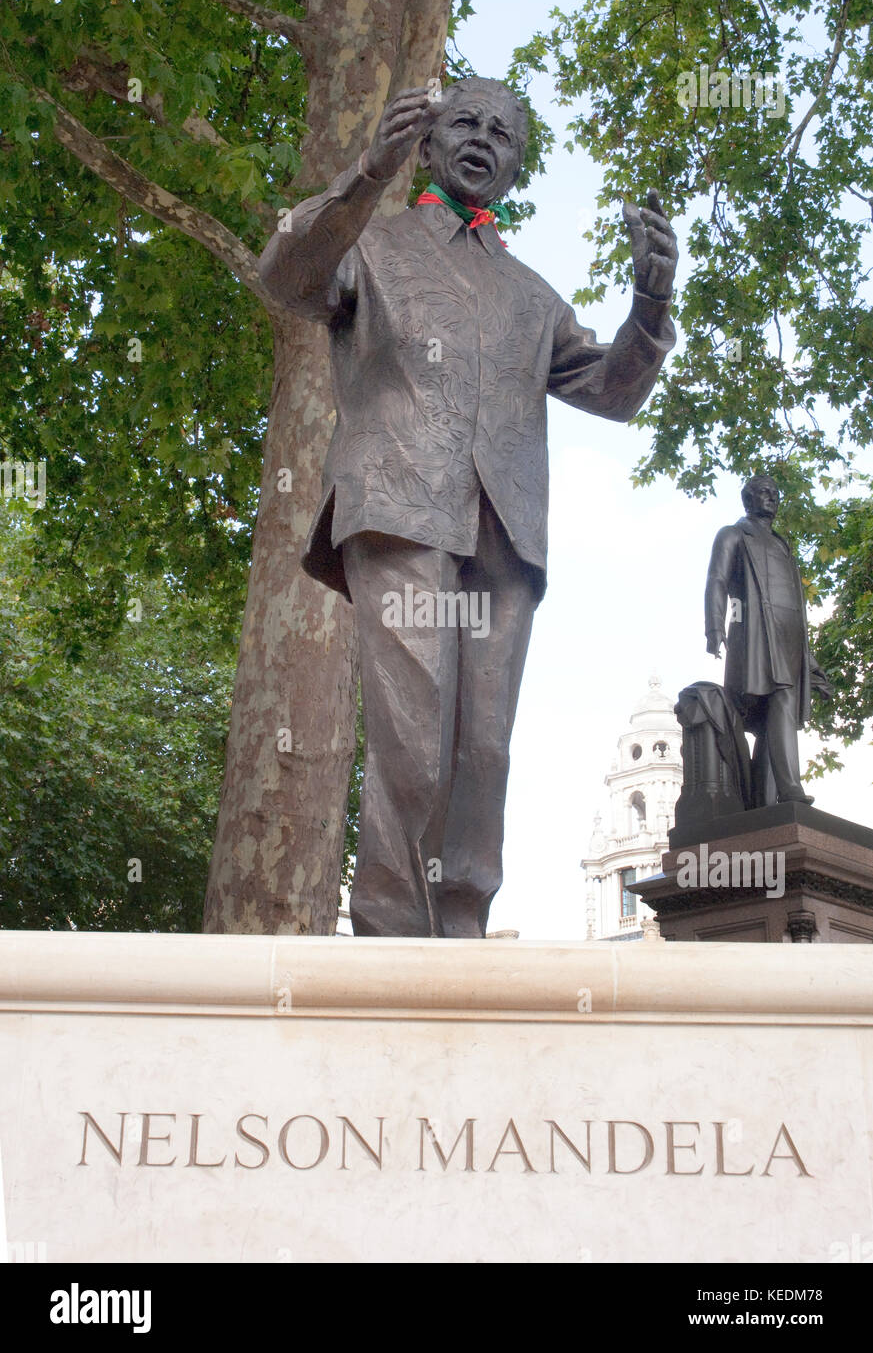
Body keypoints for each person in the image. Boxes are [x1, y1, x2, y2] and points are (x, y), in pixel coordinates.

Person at [258, 77, 678, 936]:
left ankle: (459, 934)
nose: (485, 139)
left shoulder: (530, 292)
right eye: (465, 122)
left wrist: (650, 305)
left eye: (504, 133)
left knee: (483, 750)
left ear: (518, 166)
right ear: (426, 140)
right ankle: (388, 937)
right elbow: (288, 277)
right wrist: (364, 174)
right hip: (400, 505)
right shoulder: (371, 244)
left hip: (504, 533)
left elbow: (610, 390)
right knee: (413, 741)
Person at [705, 476, 833, 805]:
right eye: (765, 493)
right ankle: (788, 789)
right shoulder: (733, 534)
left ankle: (769, 796)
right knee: (774, 706)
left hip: (789, 636)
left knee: (777, 714)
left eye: (776, 493)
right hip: (755, 635)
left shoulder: (782, 544)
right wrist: (714, 626)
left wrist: (810, 659)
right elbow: (716, 580)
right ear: (749, 499)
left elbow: (796, 605)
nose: (773, 498)